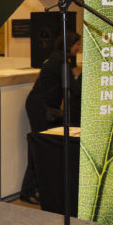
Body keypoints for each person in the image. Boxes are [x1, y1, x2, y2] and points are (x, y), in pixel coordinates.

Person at [20, 31, 81, 204]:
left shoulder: (58, 59)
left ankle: (38, 188)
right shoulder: (60, 62)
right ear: (69, 45)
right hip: (41, 108)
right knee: (40, 148)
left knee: (44, 147)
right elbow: (74, 89)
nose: (78, 48)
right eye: (77, 45)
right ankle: (28, 190)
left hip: (43, 106)